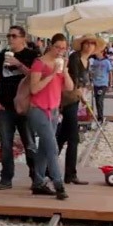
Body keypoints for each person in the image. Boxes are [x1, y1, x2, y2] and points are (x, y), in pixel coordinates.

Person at [0, 25, 38, 190]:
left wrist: (18, 64)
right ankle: (6, 178)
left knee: (30, 143)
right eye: (8, 36)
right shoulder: (1, 56)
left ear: (23, 38)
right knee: (5, 144)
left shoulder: (32, 55)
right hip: (4, 106)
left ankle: (36, 177)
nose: (10, 39)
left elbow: (35, 77)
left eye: (14, 36)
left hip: (25, 107)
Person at [28, 33, 74, 200]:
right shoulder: (39, 63)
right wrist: (52, 74)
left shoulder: (60, 64)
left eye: (64, 48)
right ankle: (59, 184)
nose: (60, 51)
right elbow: (34, 89)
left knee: (44, 148)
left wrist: (65, 71)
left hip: (54, 110)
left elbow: (69, 87)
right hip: (38, 110)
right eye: (58, 47)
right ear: (50, 45)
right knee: (52, 147)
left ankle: (38, 182)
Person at [58, 34, 105, 185]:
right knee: (73, 139)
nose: (89, 45)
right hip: (68, 99)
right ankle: (70, 174)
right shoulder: (75, 58)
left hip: (76, 99)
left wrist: (83, 97)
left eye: (92, 43)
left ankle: (47, 168)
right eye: (87, 43)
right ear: (82, 44)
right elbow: (73, 79)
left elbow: (82, 83)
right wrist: (79, 93)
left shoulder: (87, 61)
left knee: (62, 137)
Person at [90, 50, 113, 122]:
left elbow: (110, 73)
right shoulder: (94, 61)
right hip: (95, 83)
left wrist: (110, 84)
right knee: (97, 100)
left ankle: (100, 117)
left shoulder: (106, 62)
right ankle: (99, 116)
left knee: (100, 100)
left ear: (102, 52)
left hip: (103, 84)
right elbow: (92, 72)